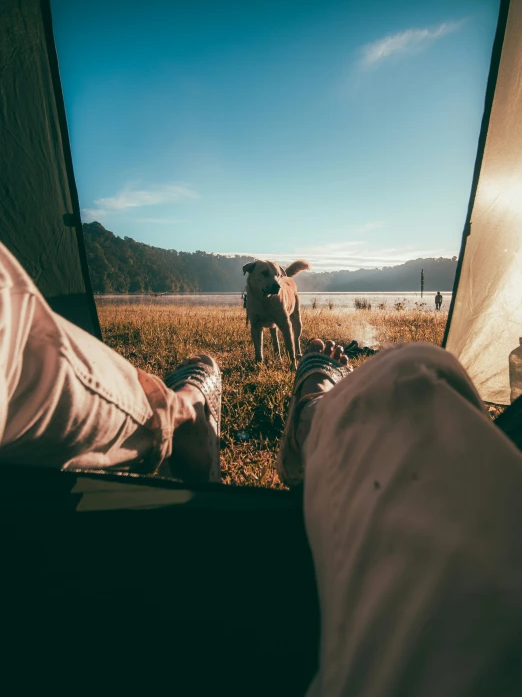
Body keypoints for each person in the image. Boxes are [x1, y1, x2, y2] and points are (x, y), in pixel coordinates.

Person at [1, 241, 521, 695]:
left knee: (295, 337)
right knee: (410, 373)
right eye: (265, 277)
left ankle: (193, 412)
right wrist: (258, 355)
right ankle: (312, 418)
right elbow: (257, 326)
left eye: (276, 277)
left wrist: (287, 296)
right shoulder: (253, 295)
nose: (272, 283)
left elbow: (283, 315)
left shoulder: (283, 293)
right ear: (249, 279)